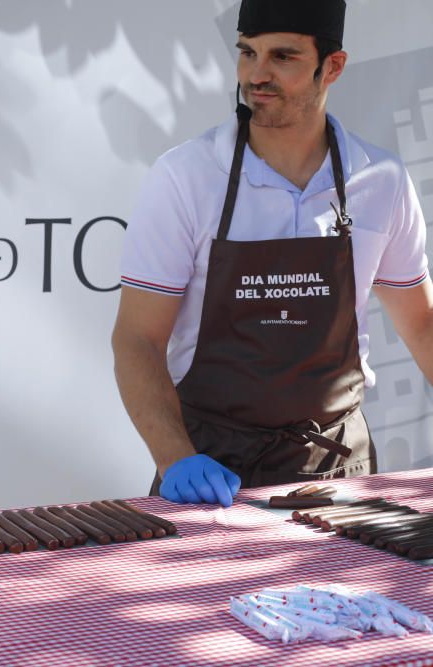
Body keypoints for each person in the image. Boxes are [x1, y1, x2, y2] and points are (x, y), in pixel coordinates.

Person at [112, 0, 433, 507]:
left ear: (333, 66)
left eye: (282, 56)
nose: (256, 74)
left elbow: (422, 326)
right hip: (211, 472)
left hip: (336, 474)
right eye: (247, 52)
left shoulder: (381, 180)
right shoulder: (186, 177)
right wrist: (176, 459)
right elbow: (137, 340)